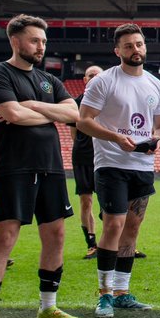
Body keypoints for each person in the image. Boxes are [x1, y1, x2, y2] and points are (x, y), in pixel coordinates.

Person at [0, 14, 82, 318]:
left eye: (43, 41)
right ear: (15, 41)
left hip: (50, 166)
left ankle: (48, 307)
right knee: (4, 237)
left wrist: (33, 104)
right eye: (35, 40)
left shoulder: (49, 80)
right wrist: (48, 114)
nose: (40, 46)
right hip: (14, 167)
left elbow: (74, 113)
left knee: (56, 236)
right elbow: (11, 114)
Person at [76, 24, 160, 318]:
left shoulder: (155, 84)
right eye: (128, 46)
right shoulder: (103, 82)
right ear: (118, 51)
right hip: (111, 164)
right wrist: (117, 138)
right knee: (113, 225)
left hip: (142, 165)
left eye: (139, 44)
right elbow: (83, 121)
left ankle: (122, 292)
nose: (135, 50)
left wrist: (159, 141)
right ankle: (104, 295)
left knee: (132, 228)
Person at [70, 65, 104, 260]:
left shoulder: (108, 101)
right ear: (84, 79)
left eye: (97, 74)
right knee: (86, 200)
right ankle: (92, 244)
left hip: (105, 156)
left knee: (109, 201)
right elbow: (74, 133)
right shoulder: (75, 104)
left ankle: (119, 244)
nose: (93, 77)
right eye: (90, 74)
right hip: (82, 157)